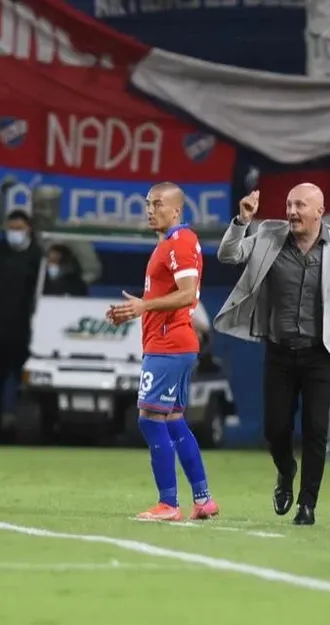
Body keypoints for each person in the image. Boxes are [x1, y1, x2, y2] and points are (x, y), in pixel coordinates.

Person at [214, 184, 330, 525]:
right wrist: (242, 220)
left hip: (320, 354)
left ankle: (307, 504)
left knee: (316, 430)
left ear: (319, 211)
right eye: (288, 204)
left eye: (300, 205)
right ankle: (286, 471)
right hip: (279, 351)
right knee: (275, 429)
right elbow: (229, 256)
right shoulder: (269, 234)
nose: (292, 211)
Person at [107, 182, 218, 522]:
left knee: (150, 419)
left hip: (169, 344)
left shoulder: (180, 243)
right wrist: (136, 310)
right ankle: (203, 500)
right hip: (173, 343)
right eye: (148, 204)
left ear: (176, 210)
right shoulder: (170, 243)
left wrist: (145, 306)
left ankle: (168, 504)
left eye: (157, 204)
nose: (150, 210)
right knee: (172, 421)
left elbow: (187, 295)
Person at [0, 210, 41, 443]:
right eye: (11, 228)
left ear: (29, 230)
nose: (14, 233)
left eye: (19, 228)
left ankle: (26, 433)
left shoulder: (37, 256)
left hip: (27, 331)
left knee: (26, 387)